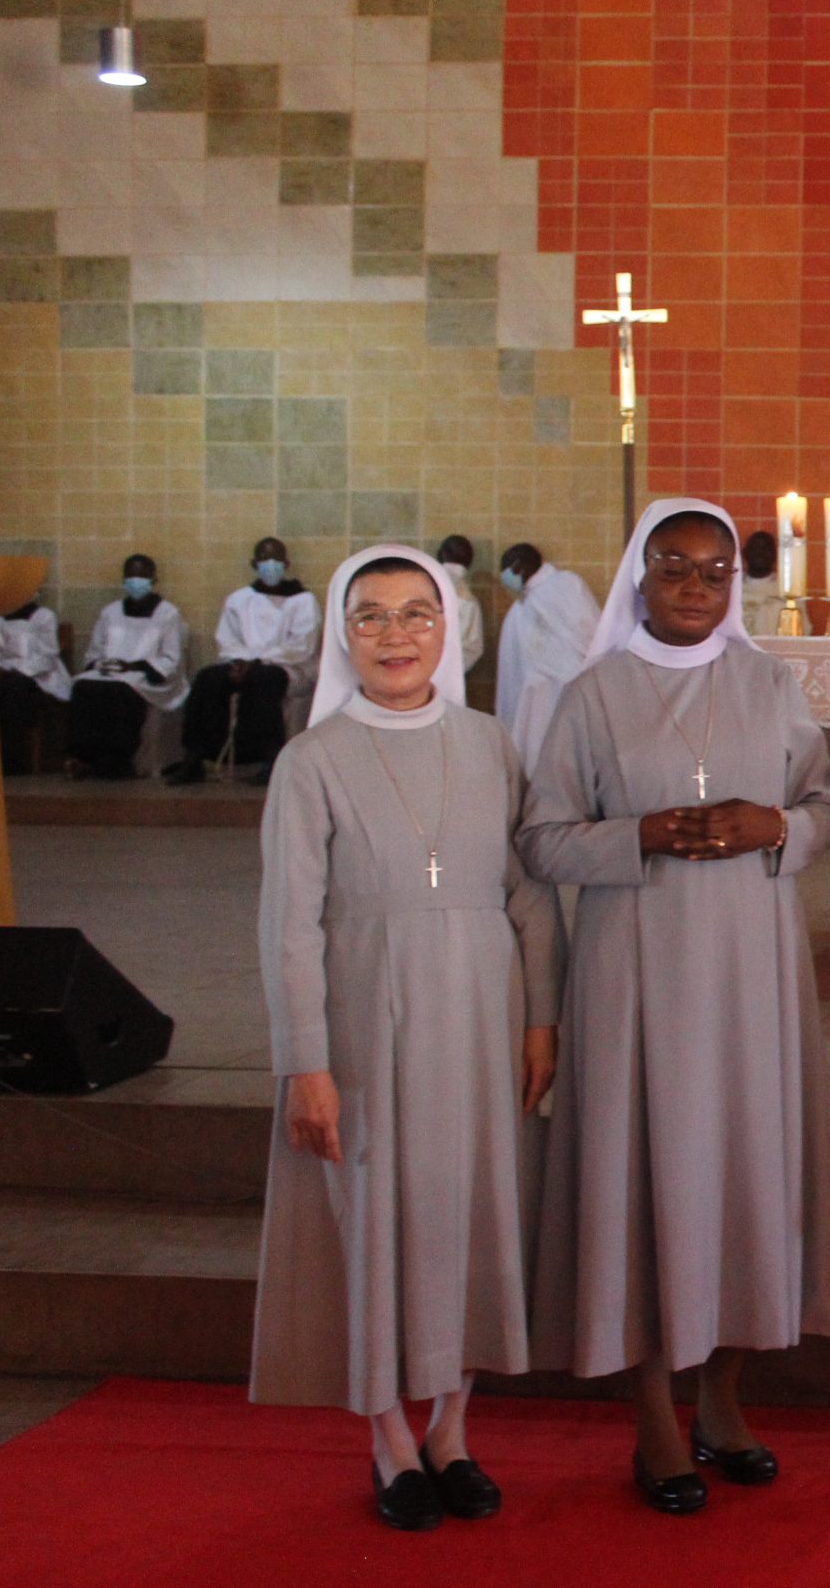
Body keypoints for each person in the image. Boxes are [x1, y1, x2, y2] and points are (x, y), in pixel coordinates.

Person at [523, 499, 830, 1517]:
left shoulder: (769, 682)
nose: (695, 588)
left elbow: (828, 805)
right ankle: (653, 1416)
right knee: (648, 1175)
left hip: (751, 973)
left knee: (740, 1176)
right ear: (640, 576)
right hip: (637, 970)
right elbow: (540, 840)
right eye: (675, 568)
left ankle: (722, 1400)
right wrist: (641, 836)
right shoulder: (592, 695)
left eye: (714, 573)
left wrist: (776, 826)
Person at [250, 544, 562, 1533]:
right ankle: (389, 1436)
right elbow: (288, 921)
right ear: (344, 633)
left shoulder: (489, 743)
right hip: (363, 1022)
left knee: (472, 1212)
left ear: (451, 627)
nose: (396, 635)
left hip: (482, 1013)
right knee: (375, 1222)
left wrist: (542, 1016)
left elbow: (529, 895)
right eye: (373, 616)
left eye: (417, 613)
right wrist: (305, 1060)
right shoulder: (313, 761)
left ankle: (453, 1430)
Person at [164, 536, 318, 784]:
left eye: (276, 559)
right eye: (264, 559)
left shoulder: (302, 600)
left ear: (286, 563)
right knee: (207, 678)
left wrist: (256, 662)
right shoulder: (239, 599)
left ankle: (269, 757)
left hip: (287, 667)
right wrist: (239, 661)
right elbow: (227, 638)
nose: (270, 564)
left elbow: (301, 645)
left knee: (263, 680)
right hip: (242, 664)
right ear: (254, 563)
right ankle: (196, 756)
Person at [64, 555, 189, 779]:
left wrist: (133, 666)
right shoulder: (110, 612)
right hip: (110, 671)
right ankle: (83, 756)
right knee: (83, 686)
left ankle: (117, 760)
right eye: (130, 575)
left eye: (141, 575)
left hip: (145, 676)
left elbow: (171, 658)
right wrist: (103, 664)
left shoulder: (168, 613)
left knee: (122, 692)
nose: (135, 580)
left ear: (153, 579)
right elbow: (94, 650)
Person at [493, 542, 600, 772]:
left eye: (505, 570)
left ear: (518, 566)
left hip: (570, 686)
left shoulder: (566, 584)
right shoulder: (522, 605)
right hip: (536, 695)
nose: (504, 577)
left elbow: (587, 630)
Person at [0, 595, 70, 774]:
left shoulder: (44, 616)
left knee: (13, 690)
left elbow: (47, 656)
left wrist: (18, 670)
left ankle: (15, 760)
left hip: (38, 676)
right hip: (4, 673)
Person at [436, 535, 486, 677]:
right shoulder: (470, 600)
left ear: (441, 554)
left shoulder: (422, 582)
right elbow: (474, 648)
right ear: (470, 561)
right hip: (450, 675)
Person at [739, 530, 783, 635]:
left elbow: (801, 631)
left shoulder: (787, 593)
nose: (760, 553)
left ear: (775, 554)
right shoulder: (731, 590)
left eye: (766, 548)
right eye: (755, 548)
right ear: (744, 553)